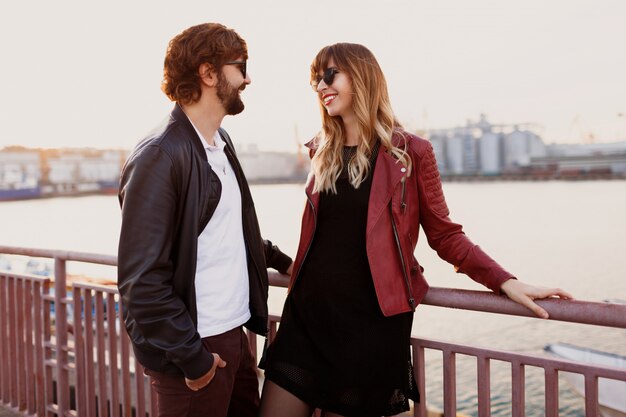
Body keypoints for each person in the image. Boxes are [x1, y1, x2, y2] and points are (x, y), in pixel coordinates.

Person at [259, 43, 572, 417]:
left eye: (330, 74)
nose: (321, 85)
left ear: (362, 77)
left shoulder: (411, 153)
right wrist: (282, 262)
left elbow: (444, 235)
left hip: (368, 325)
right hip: (306, 319)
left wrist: (505, 281)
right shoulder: (320, 151)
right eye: (315, 79)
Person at [117, 23, 292, 417]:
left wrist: (286, 262)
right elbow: (141, 282)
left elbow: (226, 233)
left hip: (234, 336)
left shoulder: (220, 143)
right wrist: (193, 359)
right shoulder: (159, 156)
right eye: (240, 66)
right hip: (196, 351)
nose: (248, 78)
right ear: (208, 73)